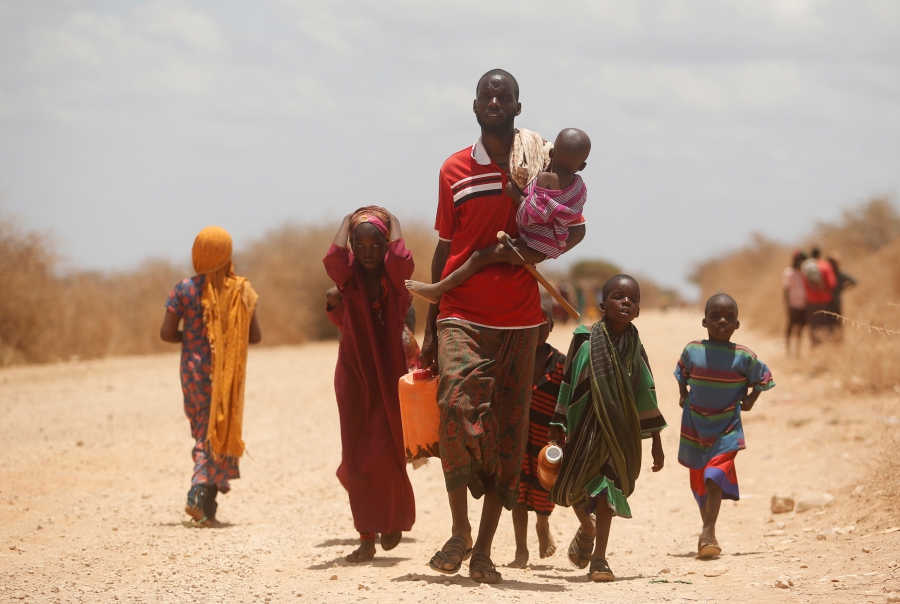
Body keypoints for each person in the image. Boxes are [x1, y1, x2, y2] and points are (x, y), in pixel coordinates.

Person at [421, 69, 586, 585]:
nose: (494, 101)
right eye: (486, 95)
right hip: (460, 312)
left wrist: (531, 255)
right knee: (455, 407)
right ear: (474, 107)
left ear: (517, 105)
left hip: (519, 320)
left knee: (509, 437)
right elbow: (446, 249)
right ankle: (458, 529)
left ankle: (484, 552)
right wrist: (430, 326)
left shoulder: (538, 165)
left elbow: (573, 229)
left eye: (504, 95)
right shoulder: (454, 168)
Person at [549, 275, 666, 582]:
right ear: (602, 305)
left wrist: (656, 440)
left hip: (618, 432)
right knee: (572, 483)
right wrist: (558, 421)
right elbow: (567, 380)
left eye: (633, 299)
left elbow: (645, 392)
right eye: (618, 296)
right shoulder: (583, 338)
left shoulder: (635, 347)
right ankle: (586, 528)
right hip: (582, 427)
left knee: (606, 491)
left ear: (639, 310)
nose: (626, 301)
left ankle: (599, 558)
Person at [323, 206, 416, 562]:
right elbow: (334, 260)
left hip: (389, 373)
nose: (366, 252)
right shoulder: (348, 282)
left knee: (389, 449)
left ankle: (391, 521)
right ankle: (365, 535)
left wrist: (393, 222)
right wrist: (347, 220)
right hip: (354, 374)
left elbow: (402, 260)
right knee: (358, 453)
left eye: (375, 244)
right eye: (358, 244)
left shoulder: (396, 285)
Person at [405, 127, 590, 304]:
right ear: (582, 165)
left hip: (533, 243)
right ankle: (437, 289)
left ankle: (437, 290)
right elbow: (567, 215)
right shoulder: (580, 187)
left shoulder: (545, 179)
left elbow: (535, 213)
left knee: (478, 257)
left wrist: (515, 194)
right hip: (554, 243)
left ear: (551, 152)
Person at [159, 226, 261, 527]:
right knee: (218, 430)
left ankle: (208, 509)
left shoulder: (184, 289)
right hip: (226, 375)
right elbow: (254, 337)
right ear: (227, 254)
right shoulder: (242, 290)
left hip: (192, 372)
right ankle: (197, 492)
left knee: (203, 431)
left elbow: (166, 334)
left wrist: (192, 339)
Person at [675, 294, 775, 559]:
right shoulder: (692, 350)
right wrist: (683, 394)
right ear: (704, 321)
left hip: (726, 427)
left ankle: (707, 532)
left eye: (729, 317)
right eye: (716, 316)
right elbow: (680, 373)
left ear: (737, 324)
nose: (722, 321)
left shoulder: (744, 357)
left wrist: (752, 398)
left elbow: (764, 377)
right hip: (694, 426)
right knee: (699, 482)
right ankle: (710, 531)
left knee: (714, 476)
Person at [508, 297, 565, 568]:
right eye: (533, 316)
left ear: (552, 326)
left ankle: (543, 525)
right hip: (516, 439)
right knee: (517, 493)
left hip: (546, 441)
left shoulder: (561, 363)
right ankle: (521, 549)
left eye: (545, 320)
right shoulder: (514, 357)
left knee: (544, 491)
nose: (539, 324)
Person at [801, 247, 837, 345]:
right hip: (825, 300)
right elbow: (832, 283)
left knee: (814, 324)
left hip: (811, 299)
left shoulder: (806, 266)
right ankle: (827, 343)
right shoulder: (826, 265)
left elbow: (803, 284)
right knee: (826, 323)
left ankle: (815, 344)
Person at [825, 252, 857, 338]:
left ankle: (838, 338)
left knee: (837, 321)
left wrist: (842, 289)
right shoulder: (828, 274)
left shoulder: (840, 274)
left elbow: (854, 282)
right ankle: (833, 338)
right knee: (830, 321)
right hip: (828, 301)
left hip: (834, 301)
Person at [782, 250, 808, 354]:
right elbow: (786, 290)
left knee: (801, 328)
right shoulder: (789, 272)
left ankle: (798, 349)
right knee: (791, 327)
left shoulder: (805, 273)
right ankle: (788, 349)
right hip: (793, 305)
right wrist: (787, 305)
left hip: (804, 305)